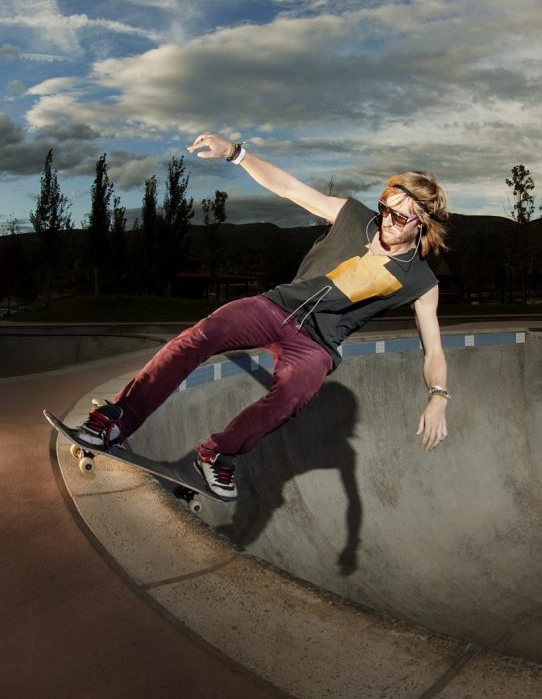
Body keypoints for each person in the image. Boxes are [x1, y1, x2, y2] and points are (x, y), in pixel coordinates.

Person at [76, 133, 451, 499]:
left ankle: (217, 454)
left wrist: (438, 397)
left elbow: (433, 350)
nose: (387, 222)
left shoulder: (420, 280)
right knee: (202, 335)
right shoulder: (354, 216)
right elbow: (290, 188)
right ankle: (118, 419)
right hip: (276, 307)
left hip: (317, 344)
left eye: (400, 218)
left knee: (293, 394)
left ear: (423, 223)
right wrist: (235, 153)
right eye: (386, 209)